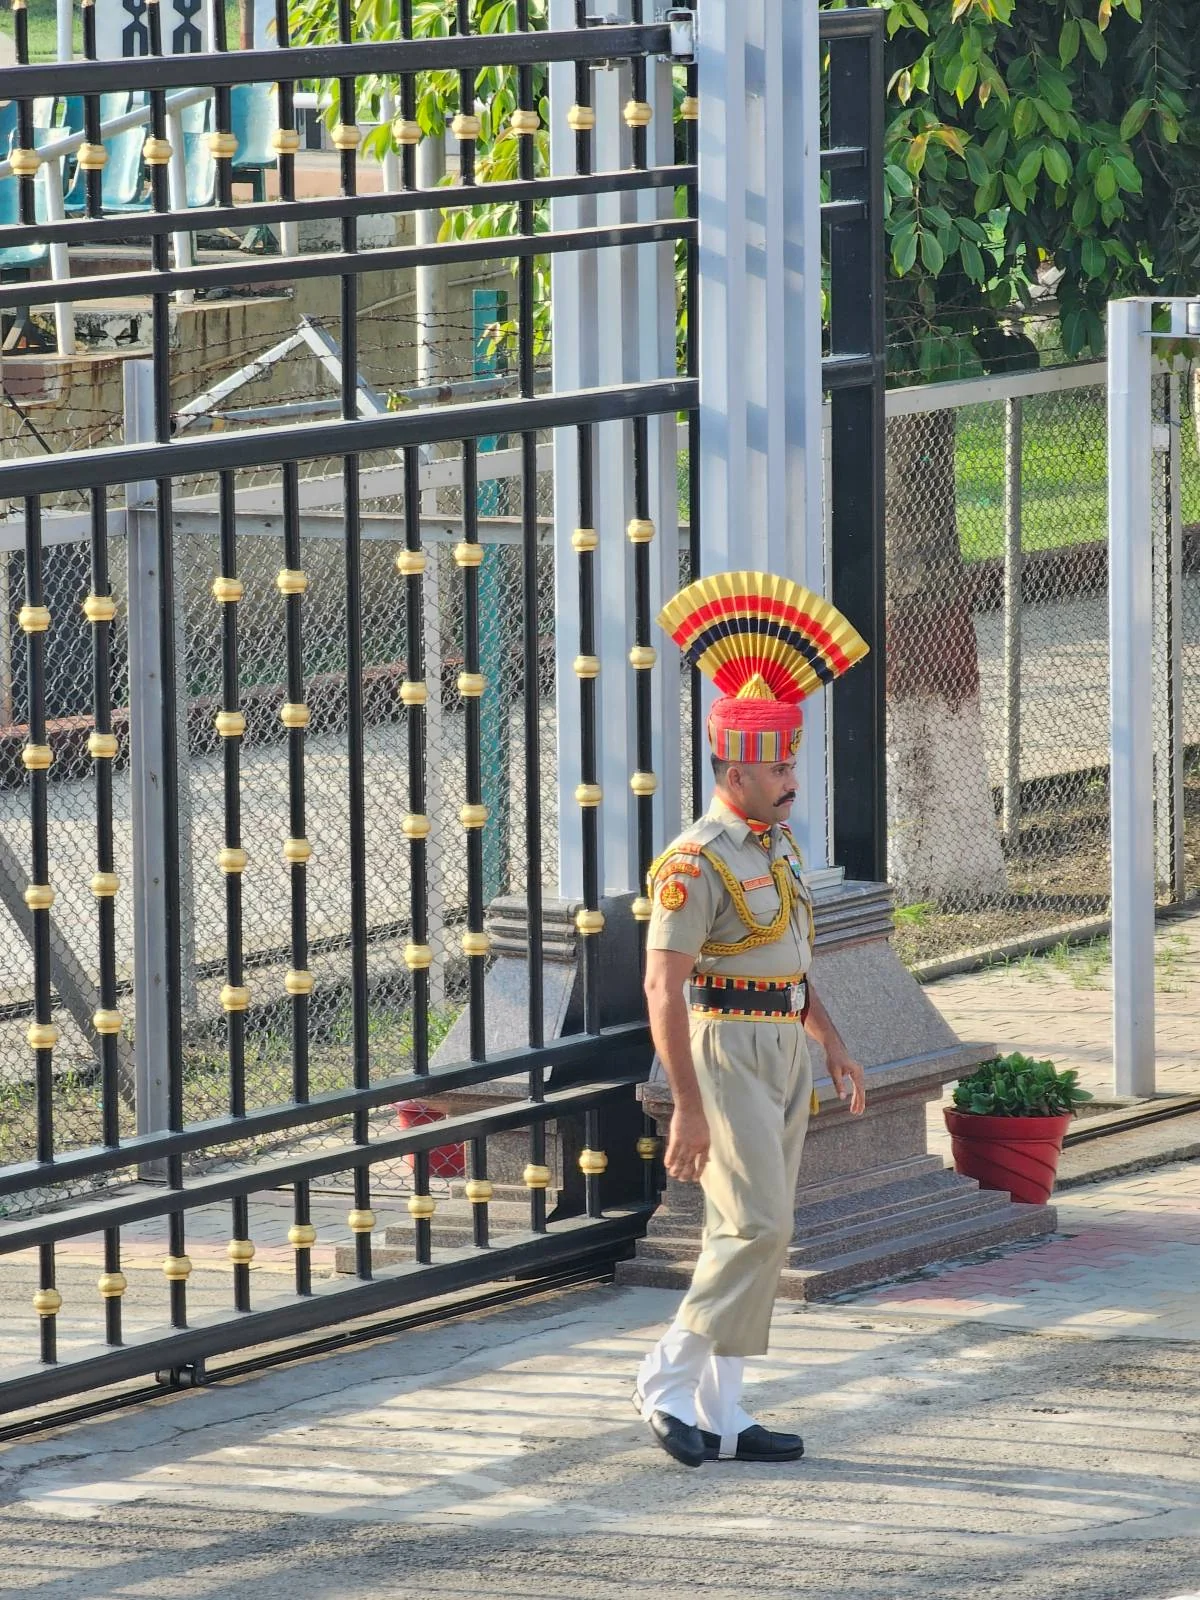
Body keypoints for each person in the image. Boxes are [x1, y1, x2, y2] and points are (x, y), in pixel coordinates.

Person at [634, 570, 870, 1468]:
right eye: (777, 766)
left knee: (757, 1236)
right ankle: (663, 1378)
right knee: (756, 1227)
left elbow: (794, 964)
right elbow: (664, 989)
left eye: (793, 762)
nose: (791, 780)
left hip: (783, 1046)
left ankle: (726, 1419)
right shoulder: (692, 864)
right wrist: (686, 1106)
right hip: (724, 1049)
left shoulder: (780, 846)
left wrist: (836, 1046)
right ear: (733, 768)